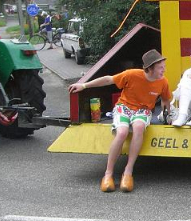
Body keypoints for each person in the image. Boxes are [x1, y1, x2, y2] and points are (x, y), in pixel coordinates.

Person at [68, 49, 171, 193]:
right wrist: (84, 85)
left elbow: (166, 99)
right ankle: (108, 174)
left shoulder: (163, 81)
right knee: (122, 132)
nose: (164, 70)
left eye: (163, 66)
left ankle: (128, 172)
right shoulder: (131, 74)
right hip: (124, 107)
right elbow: (108, 79)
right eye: (160, 67)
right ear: (150, 68)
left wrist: (167, 115)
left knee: (139, 127)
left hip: (143, 110)